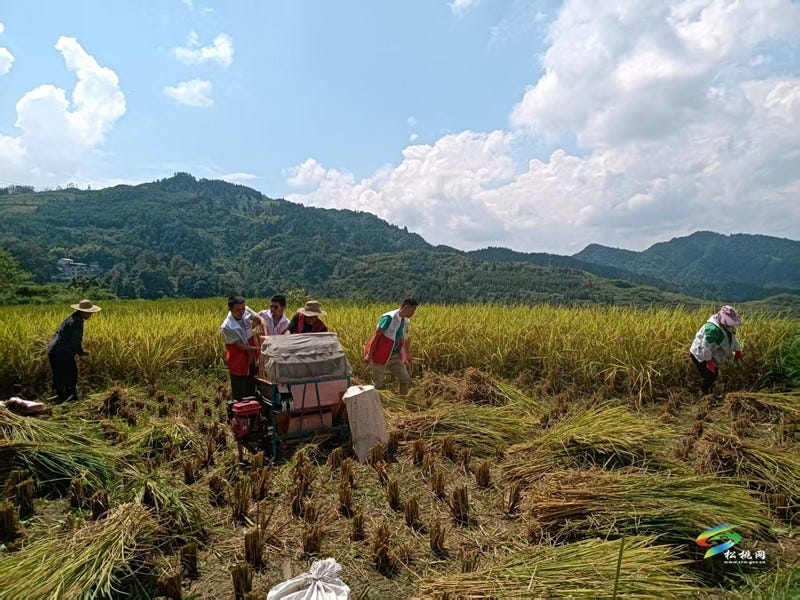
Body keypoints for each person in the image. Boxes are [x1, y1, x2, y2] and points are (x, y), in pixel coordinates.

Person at [47, 299, 101, 402]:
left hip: (54, 351)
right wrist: (81, 355)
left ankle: (57, 399)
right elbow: (75, 341)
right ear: (83, 311)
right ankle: (70, 399)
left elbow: (70, 339)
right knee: (71, 374)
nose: (90, 315)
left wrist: (81, 351)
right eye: (89, 312)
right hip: (61, 352)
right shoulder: (77, 322)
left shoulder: (72, 318)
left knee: (59, 375)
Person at [364, 298, 418, 395]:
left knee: (405, 379)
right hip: (380, 355)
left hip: (394, 356)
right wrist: (369, 354)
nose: (413, 313)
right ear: (406, 307)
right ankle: (380, 406)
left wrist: (407, 355)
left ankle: (402, 401)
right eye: (413, 310)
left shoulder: (405, 321)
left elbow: (404, 338)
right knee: (378, 385)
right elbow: (376, 336)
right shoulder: (389, 317)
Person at [220, 295, 267, 405]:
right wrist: (258, 349)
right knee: (239, 390)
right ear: (230, 309)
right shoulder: (228, 326)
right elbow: (240, 346)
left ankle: (252, 411)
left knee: (252, 383)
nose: (241, 312)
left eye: (243, 309)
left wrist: (264, 329)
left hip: (251, 354)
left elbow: (259, 318)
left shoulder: (245, 311)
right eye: (237, 310)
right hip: (238, 357)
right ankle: (239, 414)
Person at [689, 305, 743, 396]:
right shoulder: (712, 329)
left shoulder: (726, 326)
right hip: (700, 353)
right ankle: (703, 394)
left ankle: (709, 391)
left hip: (712, 352)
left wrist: (737, 350)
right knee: (710, 375)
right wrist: (708, 362)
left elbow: (732, 338)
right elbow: (705, 346)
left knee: (714, 374)